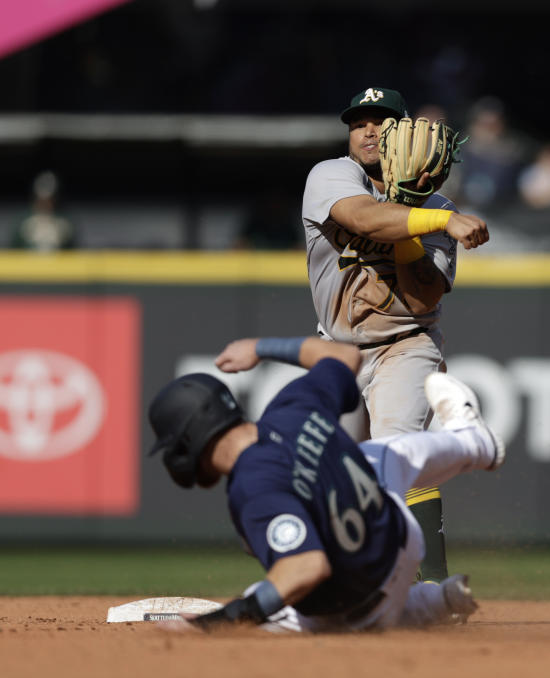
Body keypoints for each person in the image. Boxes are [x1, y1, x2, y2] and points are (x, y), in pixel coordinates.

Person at [146, 335, 505, 632]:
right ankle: (474, 445)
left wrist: (231, 616)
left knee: (264, 599)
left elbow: (306, 568)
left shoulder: (251, 488)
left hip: (356, 616)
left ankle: (420, 605)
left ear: (189, 440)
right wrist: (259, 348)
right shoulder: (292, 407)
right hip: (399, 538)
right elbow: (346, 355)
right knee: (378, 455)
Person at [300, 86, 491, 583]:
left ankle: (432, 586)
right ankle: (350, 581)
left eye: (382, 120)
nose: (368, 128)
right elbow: (362, 217)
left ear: (404, 132)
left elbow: (423, 298)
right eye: (359, 121)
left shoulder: (436, 204)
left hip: (405, 344)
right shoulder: (331, 175)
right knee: (336, 475)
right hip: (337, 348)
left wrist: (422, 217)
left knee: (398, 452)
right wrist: (440, 220)